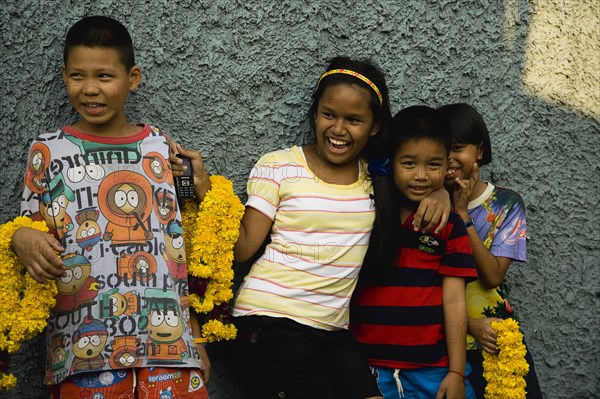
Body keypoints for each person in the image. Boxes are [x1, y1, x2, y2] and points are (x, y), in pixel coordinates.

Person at [9, 16, 211, 399]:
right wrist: (22, 238)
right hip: (82, 349)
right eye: (76, 76)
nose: (89, 89)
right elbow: (27, 230)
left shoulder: (159, 147)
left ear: (133, 78)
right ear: (64, 76)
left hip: (169, 349)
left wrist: (196, 336)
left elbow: (178, 248)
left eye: (104, 76)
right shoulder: (48, 151)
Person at [229, 57, 451, 399]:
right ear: (315, 113)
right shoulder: (279, 166)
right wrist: (203, 191)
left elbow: (418, 174)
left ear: (374, 126)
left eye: (354, 120)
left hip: (332, 329)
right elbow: (244, 247)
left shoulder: (375, 178)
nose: (338, 129)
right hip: (270, 318)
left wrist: (441, 193)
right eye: (329, 114)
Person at [350, 105, 478, 399]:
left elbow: (455, 300)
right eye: (409, 164)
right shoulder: (367, 212)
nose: (421, 176)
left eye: (433, 165)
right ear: (391, 161)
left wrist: (457, 372)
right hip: (369, 371)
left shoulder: (450, 227)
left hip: (432, 371)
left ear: (447, 165)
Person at [439, 103, 543, 399]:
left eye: (458, 148)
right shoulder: (429, 203)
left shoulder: (506, 203)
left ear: (480, 151)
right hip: (447, 343)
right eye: (443, 149)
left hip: (496, 341)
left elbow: (493, 275)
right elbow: (425, 285)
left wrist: (462, 215)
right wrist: (471, 325)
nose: (449, 158)